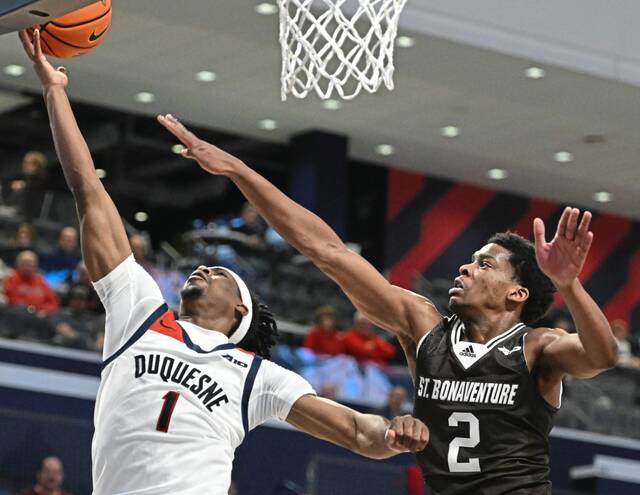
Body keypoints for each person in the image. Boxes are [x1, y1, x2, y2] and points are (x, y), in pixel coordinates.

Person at [20, 29, 428, 495]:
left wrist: (395, 434)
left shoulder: (256, 374)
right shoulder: (140, 314)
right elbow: (89, 192)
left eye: (221, 275)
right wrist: (54, 92)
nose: (205, 269)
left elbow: (357, 432)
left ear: (241, 310)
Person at [158, 111, 619, 494]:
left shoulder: (537, 346)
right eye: (469, 261)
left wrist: (570, 285)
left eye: (484, 265)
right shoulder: (424, 327)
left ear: (517, 293)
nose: (465, 268)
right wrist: (239, 170)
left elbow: (603, 356)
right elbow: (328, 251)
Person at [4, 250, 59, 315]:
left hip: (41, 315)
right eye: (26, 262)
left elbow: (53, 302)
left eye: (32, 262)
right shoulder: (11, 279)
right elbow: (11, 300)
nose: (30, 265)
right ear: (18, 264)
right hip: (19, 314)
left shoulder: (40, 280)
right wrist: (32, 309)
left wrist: (44, 310)